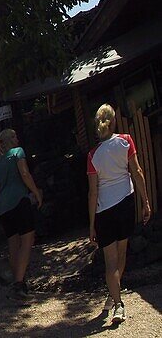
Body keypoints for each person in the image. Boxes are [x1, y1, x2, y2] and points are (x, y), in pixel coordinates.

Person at [88, 104, 152, 325]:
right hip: (125, 202)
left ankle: (116, 300)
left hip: (104, 211)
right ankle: (116, 299)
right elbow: (137, 171)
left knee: (110, 262)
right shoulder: (126, 141)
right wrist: (145, 201)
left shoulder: (93, 155)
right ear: (113, 121)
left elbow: (93, 192)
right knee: (121, 255)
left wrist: (91, 224)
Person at [0, 128, 43, 299]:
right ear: (9, 141)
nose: (17, 137)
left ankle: (17, 281)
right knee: (27, 240)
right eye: (14, 136)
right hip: (19, 201)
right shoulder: (18, 152)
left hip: (3, 209)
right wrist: (35, 192)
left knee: (13, 245)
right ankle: (19, 283)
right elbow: (24, 173)